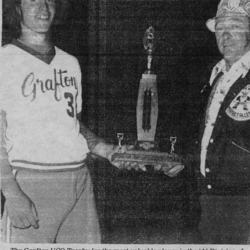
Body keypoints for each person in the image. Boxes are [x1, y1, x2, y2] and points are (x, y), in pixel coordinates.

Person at [0, 0, 184, 244]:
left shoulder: (70, 63)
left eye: (49, 1)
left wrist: (108, 151)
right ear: (16, 8)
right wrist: (12, 193)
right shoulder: (5, 60)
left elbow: (71, 124)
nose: (43, 8)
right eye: (33, 0)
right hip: (33, 181)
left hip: (79, 179)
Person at [190, 0, 250, 244]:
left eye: (235, 26)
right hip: (209, 198)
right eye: (220, 28)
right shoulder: (215, 75)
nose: (225, 35)